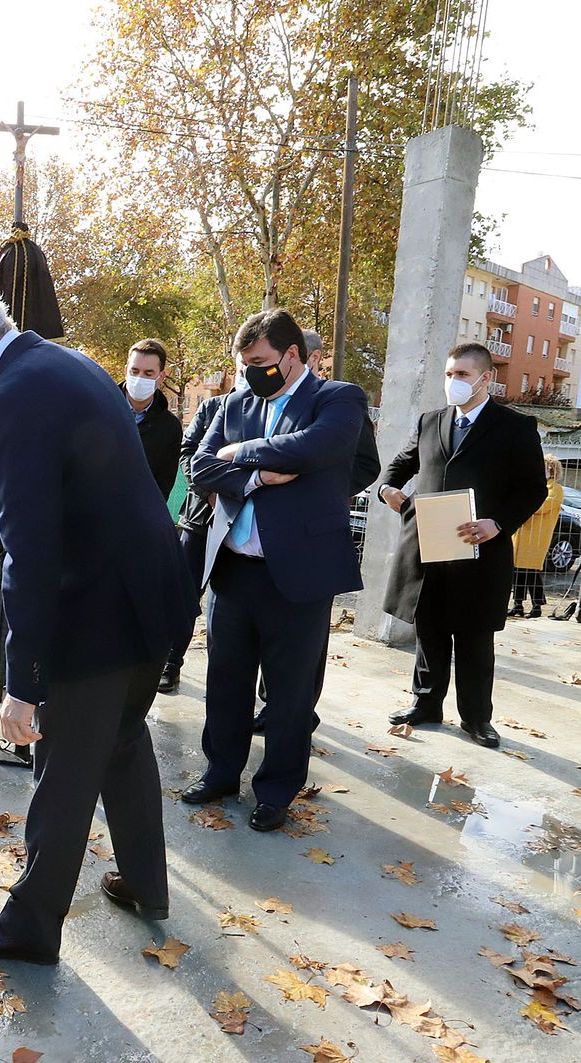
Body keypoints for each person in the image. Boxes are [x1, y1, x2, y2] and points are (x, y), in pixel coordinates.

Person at [0, 276, 193, 965]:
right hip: (148, 598)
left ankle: (31, 924)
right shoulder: (67, 363)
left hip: (95, 611)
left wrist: (24, 679)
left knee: (60, 763)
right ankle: (148, 884)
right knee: (122, 742)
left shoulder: (12, 398)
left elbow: (30, 551)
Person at [182, 309, 369, 832]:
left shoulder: (337, 398)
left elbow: (319, 447)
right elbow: (199, 467)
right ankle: (221, 772)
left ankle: (277, 790)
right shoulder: (233, 402)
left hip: (300, 573)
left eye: (260, 362)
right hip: (234, 569)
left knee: (288, 692)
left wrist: (240, 452)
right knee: (225, 682)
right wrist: (260, 476)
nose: (251, 373)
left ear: (293, 356)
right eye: (244, 364)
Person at [380, 343, 548, 748]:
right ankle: (425, 704)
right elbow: (402, 464)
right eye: (449, 374)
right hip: (427, 547)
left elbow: (532, 490)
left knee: (473, 639)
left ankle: (475, 718)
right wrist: (388, 487)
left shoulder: (515, 427)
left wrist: (498, 524)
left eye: (462, 375)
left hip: (479, 550)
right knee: (430, 630)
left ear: (485, 378)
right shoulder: (430, 421)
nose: (453, 382)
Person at [159, 393, 226, 694]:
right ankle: (170, 664)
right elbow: (188, 452)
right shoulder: (214, 406)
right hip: (200, 518)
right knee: (184, 598)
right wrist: (207, 491)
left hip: (248, 523)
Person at [123, 338, 182, 501]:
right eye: (134, 372)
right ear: (126, 371)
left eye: (148, 373)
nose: (140, 378)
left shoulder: (170, 428)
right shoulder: (102, 409)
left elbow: (163, 482)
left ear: (161, 377)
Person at [509, 455, 565, 619]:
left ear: (551, 469)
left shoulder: (555, 489)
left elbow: (543, 506)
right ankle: (517, 604)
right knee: (518, 571)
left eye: (546, 467)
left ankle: (537, 606)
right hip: (521, 534)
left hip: (536, 536)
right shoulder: (534, 486)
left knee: (532, 571)